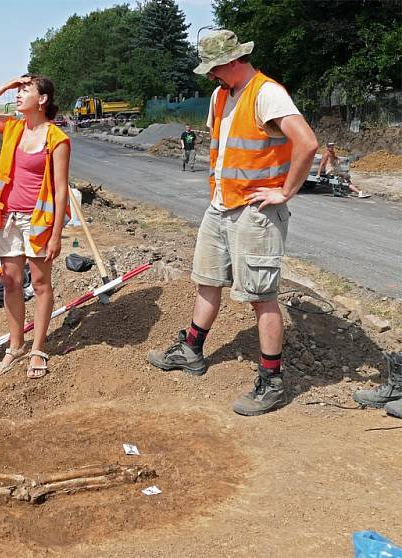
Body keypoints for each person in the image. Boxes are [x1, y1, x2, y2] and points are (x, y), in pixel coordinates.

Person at [146, 29, 319, 416]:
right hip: (221, 206)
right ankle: (191, 350)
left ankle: (271, 381)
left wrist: (285, 192)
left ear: (235, 60)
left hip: (256, 213)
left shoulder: (267, 93)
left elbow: (307, 143)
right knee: (207, 280)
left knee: (261, 296)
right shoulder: (220, 94)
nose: (210, 76)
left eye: (215, 68)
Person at [0, 75, 70, 379]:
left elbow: (62, 189)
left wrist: (56, 236)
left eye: (25, 91)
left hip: (37, 221)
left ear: (43, 99)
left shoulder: (57, 139)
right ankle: (15, 345)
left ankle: (38, 348)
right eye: (18, 91)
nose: (18, 96)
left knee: (39, 284)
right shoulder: (12, 128)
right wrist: (8, 84)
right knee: (11, 282)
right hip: (9, 217)